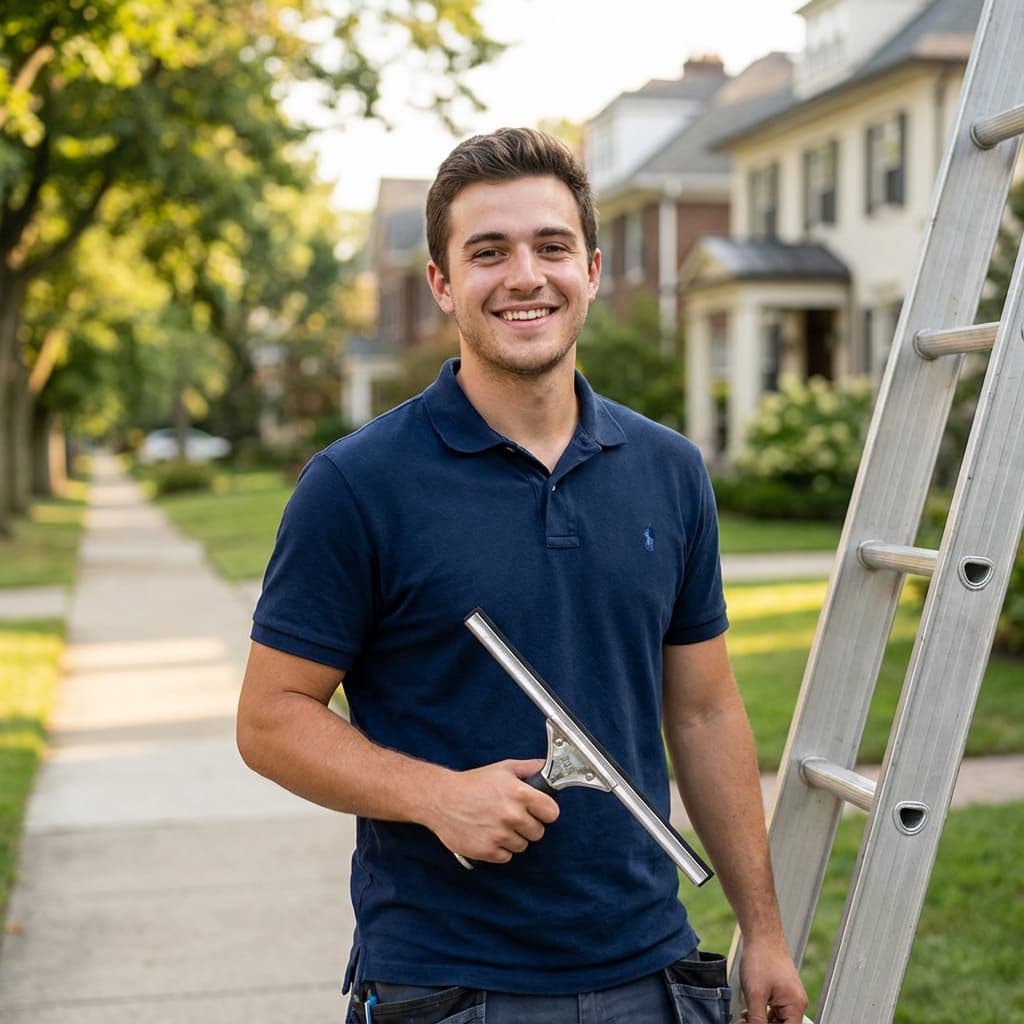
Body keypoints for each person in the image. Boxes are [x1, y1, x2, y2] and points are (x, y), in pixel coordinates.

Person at [236, 126, 807, 1024]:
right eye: (488, 252)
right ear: (441, 283)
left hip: (651, 974)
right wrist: (435, 795)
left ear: (592, 266)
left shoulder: (670, 469)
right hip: (450, 986)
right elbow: (270, 719)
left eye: (551, 247)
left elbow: (701, 709)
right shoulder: (356, 485)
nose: (525, 276)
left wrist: (762, 930)